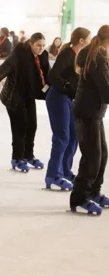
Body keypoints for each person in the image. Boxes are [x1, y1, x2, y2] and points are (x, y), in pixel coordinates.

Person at [0, 33, 50, 172]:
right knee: (20, 127)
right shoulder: (19, 55)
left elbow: (47, 74)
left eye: (43, 45)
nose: (41, 48)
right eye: (38, 45)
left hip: (29, 95)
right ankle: (17, 158)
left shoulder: (42, 55)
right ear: (31, 43)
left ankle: (28, 155)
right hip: (14, 96)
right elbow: (4, 68)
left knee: (32, 125)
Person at [69, 25, 109, 215]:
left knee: (102, 155)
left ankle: (93, 192)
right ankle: (80, 196)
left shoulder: (101, 56)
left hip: (95, 113)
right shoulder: (97, 58)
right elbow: (106, 91)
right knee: (92, 157)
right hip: (87, 112)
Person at [45, 28, 91, 190]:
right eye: (89, 38)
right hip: (58, 97)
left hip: (69, 99)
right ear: (81, 40)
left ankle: (65, 170)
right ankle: (53, 175)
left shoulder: (79, 56)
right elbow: (53, 76)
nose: (90, 41)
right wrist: (68, 87)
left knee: (74, 136)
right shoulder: (67, 54)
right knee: (62, 136)